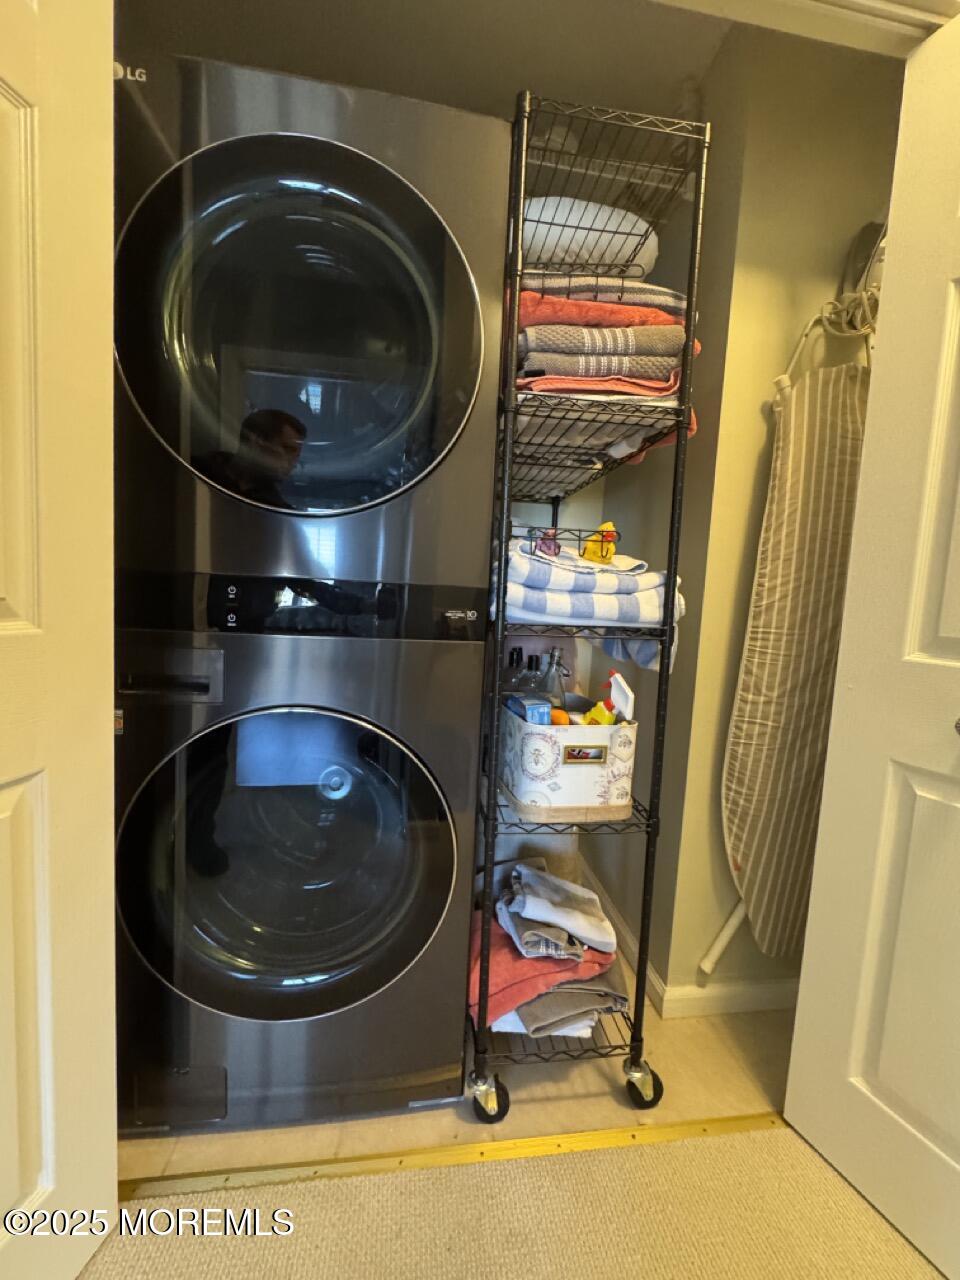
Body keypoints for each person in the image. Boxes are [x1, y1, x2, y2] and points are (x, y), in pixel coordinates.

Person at [195, 408, 307, 508]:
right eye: (287, 449)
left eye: (296, 456)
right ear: (256, 440)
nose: (293, 463)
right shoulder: (198, 472)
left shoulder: (277, 510)